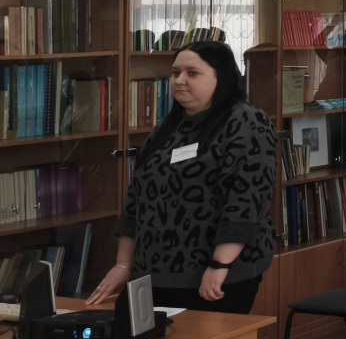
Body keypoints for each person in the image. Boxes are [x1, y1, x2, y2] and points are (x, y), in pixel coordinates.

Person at [88, 41, 275, 314]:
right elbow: (136, 199)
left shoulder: (246, 121)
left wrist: (219, 265)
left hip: (217, 275)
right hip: (153, 274)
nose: (179, 81)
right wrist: (123, 264)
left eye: (192, 73)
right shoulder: (167, 127)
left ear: (221, 77)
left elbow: (247, 201)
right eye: (175, 73)